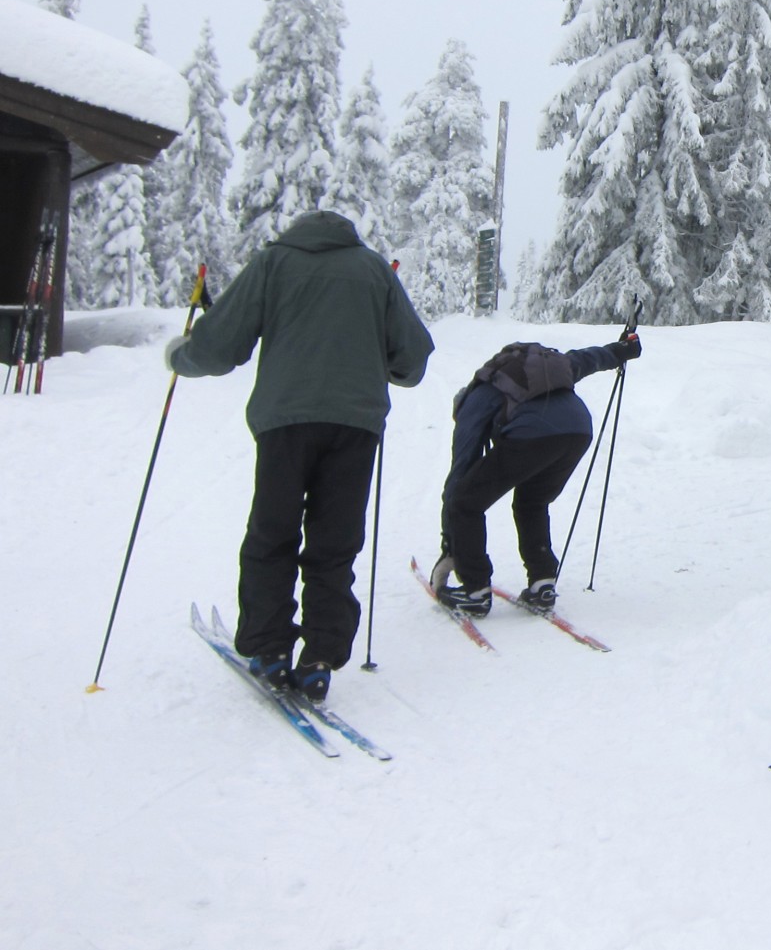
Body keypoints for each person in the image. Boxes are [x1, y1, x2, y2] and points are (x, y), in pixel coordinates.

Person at [166, 210, 433, 702]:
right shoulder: (373, 269)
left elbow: (221, 346)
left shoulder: (274, 263)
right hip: (355, 425)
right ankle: (319, 659)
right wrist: (389, 367)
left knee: (273, 533)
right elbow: (413, 357)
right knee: (335, 541)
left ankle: (268, 650)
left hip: (284, 423)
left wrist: (179, 357)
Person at [429, 327, 641, 616]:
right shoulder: (541, 369)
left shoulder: (477, 396)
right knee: (532, 502)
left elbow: (460, 474)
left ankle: (475, 590)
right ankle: (542, 583)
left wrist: (450, 543)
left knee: (465, 502)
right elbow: (588, 359)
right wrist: (622, 351)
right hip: (577, 430)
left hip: (532, 434)